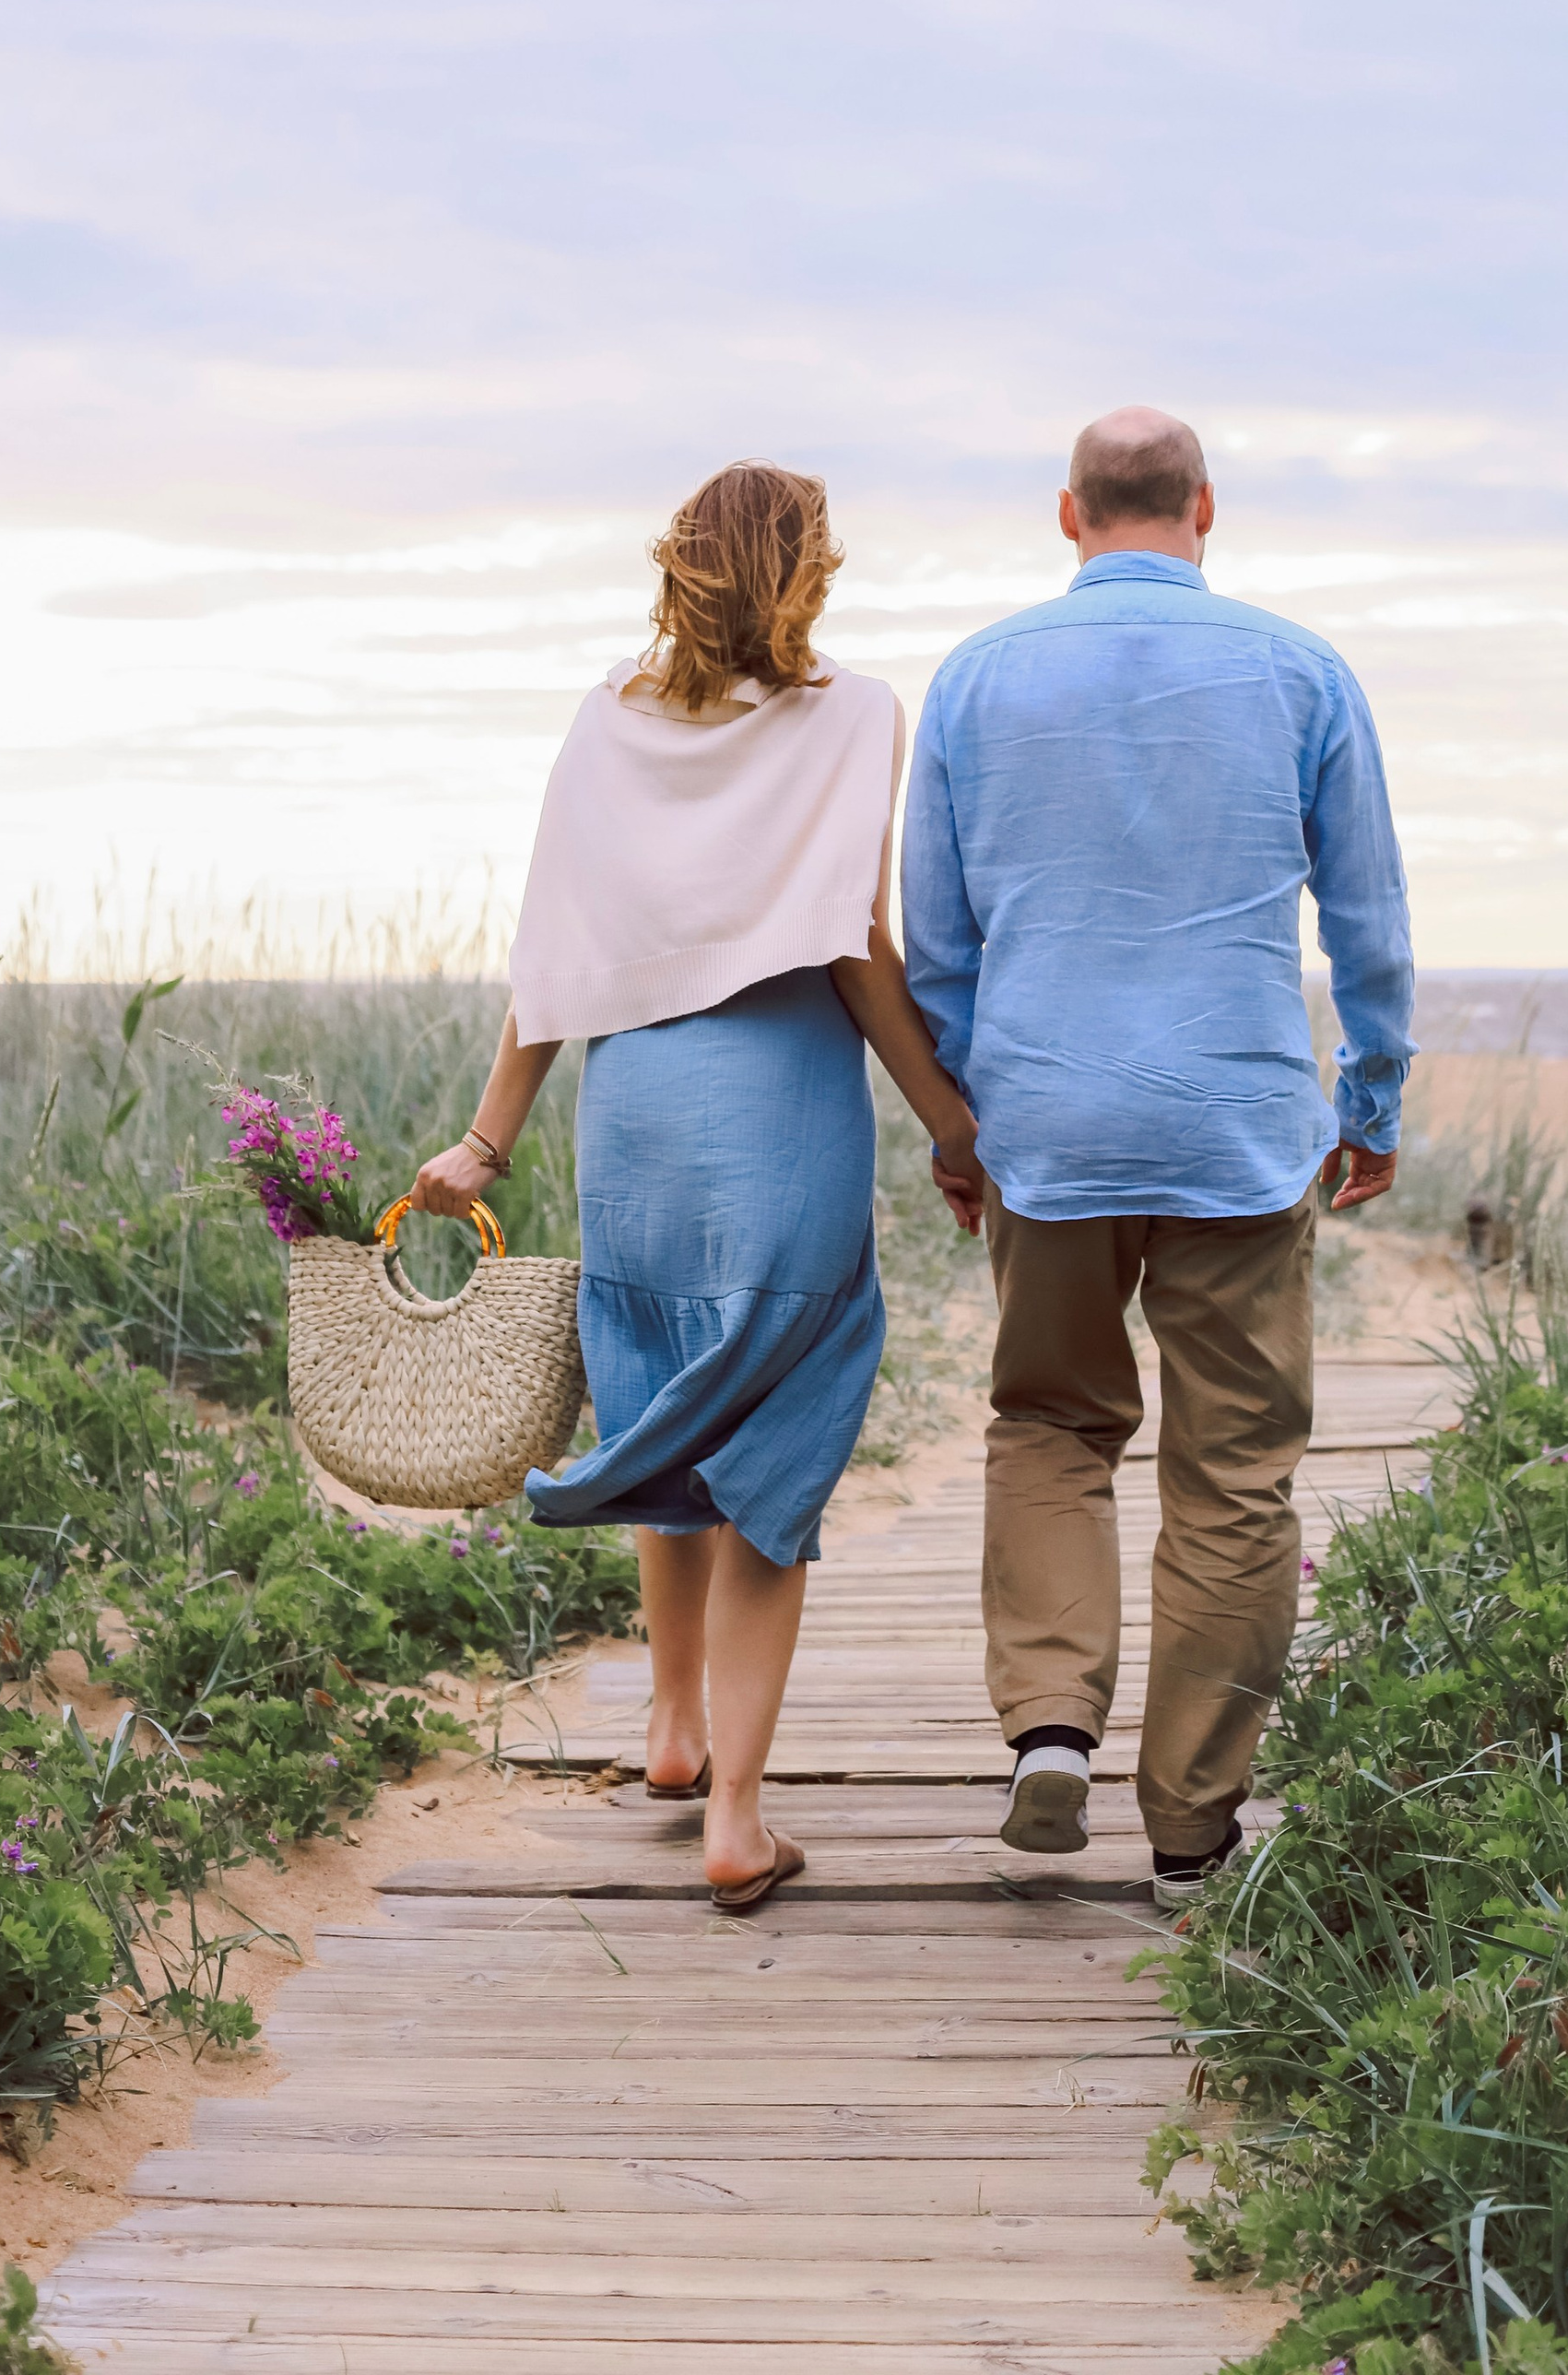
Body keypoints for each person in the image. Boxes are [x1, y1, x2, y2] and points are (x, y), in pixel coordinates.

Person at [408, 462, 989, 1913]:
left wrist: (486, 1142)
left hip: (639, 1120)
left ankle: (671, 1733)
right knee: (773, 1446)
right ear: (807, 574)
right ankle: (737, 1812)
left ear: (682, 569)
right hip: (779, 1106)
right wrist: (948, 1123)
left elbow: (557, 950)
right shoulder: (854, 714)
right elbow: (852, 943)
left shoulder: (613, 713)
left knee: (670, 1392)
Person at [901, 405, 1413, 1908]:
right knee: (1234, 1473)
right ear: (1206, 506)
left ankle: (1051, 1726)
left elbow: (941, 943)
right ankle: (1191, 1831)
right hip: (1240, 1129)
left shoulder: (976, 680)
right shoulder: (1302, 671)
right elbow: (1369, 923)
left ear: (1069, 514)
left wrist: (960, 1121)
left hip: (1045, 1122)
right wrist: (1369, 1100)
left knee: (1052, 1423)